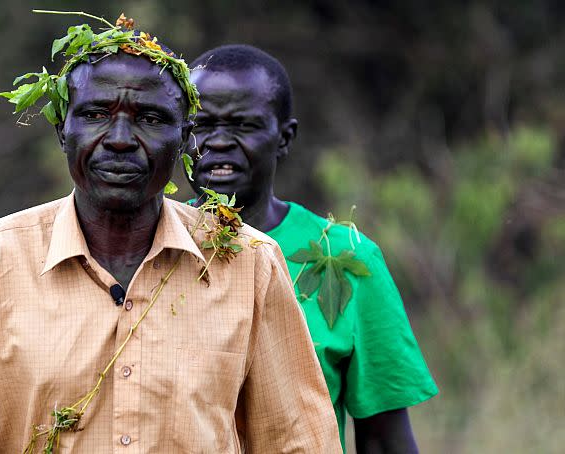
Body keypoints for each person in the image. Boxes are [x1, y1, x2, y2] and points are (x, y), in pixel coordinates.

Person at [0, 20, 340, 453]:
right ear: (61, 131)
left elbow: (297, 444)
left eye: (149, 118)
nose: (121, 140)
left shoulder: (248, 263)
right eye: (95, 114)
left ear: (186, 141)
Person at [186, 44, 438, 453]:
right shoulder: (154, 247)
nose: (218, 143)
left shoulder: (347, 258)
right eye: (201, 125)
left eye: (243, 126)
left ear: (284, 138)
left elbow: (383, 440)